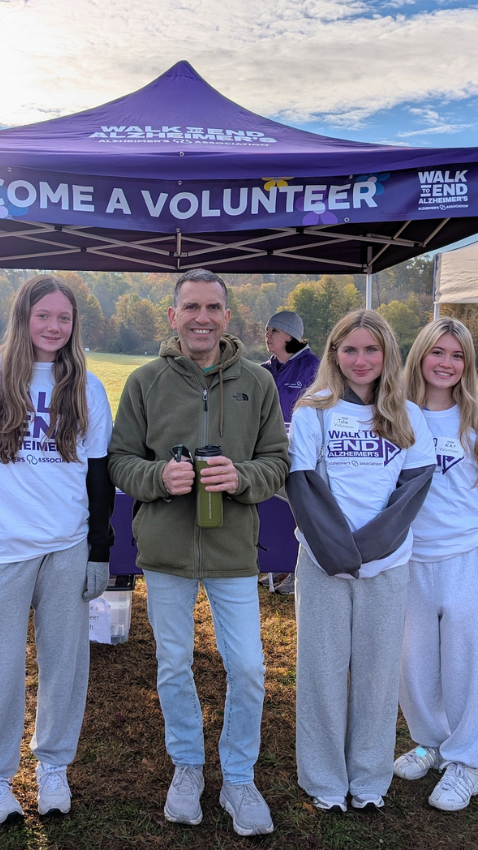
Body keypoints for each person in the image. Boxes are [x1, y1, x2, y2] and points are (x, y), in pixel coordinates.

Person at [108, 268, 289, 837]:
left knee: (249, 668)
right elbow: (119, 461)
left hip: (235, 551)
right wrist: (161, 476)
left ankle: (238, 777)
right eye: (191, 307)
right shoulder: (145, 381)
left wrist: (242, 476)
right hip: (165, 552)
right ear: (173, 316)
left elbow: (278, 461)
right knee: (173, 666)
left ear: (228, 317)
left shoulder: (258, 382)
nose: (202, 318)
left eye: (213, 307)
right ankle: (187, 767)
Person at [0, 274, 114, 825]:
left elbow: (98, 473)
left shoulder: (88, 387)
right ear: (23, 317)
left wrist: (101, 549)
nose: (54, 326)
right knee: (0, 669)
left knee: (64, 665)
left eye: (65, 318)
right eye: (43, 315)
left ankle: (53, 765)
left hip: (67, 546)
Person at [286, 309, 436, 814]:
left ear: (388, 354)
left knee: (376, 676)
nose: (361, 359)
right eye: (349, 349)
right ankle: (325, 779)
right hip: (323, 563)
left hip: (387, 565)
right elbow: (303, 484)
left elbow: (412, 490)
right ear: (333, 354)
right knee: (322, 674)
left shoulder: (407, 414)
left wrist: (370, 548)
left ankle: (369, 779)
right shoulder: (314, 409)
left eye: (371, 349)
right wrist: (337, 551)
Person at [396, 318, 478, 811]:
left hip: (467, 557)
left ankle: (467, 762)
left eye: (457, 355)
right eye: (437, 353)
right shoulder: (398, 416)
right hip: (410, 558)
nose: (446, 363)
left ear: (465, 365)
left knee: (470, 664)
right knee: (415, 662)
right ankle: (431, 742)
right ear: (420, 356)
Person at [260, 310, 320, 594]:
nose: (267, 335)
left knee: (300, 507)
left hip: (303, 455)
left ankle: (296, 569)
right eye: (267, 330)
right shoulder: (264, 369)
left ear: (290, 336)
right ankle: (274, 562)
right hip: (268, 452)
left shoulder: (314, 369)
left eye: (273, 330)